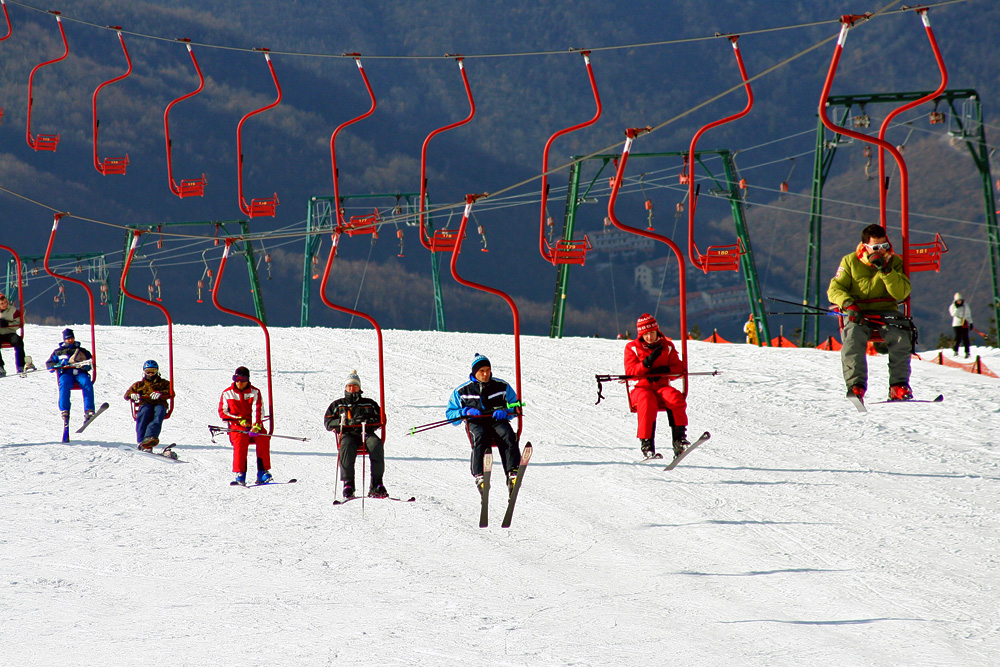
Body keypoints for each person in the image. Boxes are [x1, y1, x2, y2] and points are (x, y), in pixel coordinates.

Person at [827, 224, 913, 401]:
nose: (880, 251)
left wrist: (886, 271)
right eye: (875, 248)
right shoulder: (850, 261)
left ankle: (898, 385)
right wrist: (848, 304)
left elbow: (901, 293)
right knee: (853, 339)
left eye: (884, 247)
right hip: (859, 313)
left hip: (886, 312)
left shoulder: (894, 262)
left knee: (900, 338)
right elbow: (834, 289)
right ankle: (856, 386)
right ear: (865, 246)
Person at [446, 353, 521, 496]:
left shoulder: (502, 386)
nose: (486, 374)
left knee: (508, 435)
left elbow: (515, 406)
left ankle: (512, 473)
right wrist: (465, 411)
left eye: (488, 370)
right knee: (481, 436)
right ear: (475, 372)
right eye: (481, 371)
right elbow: (451, 415)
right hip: (476, 422)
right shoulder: (462, 391)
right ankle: (480, 475)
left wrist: (506, 411)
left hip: (497, 420)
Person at [625, 313, 690, 459]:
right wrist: (646, 363)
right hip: (642, 388)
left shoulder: (667, 347)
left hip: (661, 386)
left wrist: (665, 370)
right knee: (646, 401)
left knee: (675, 397)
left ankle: (679, 441)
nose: (650, 337)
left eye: (652, 333)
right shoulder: (633, 348)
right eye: (646, 334)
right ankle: (647, 444)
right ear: (641, 334)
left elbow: (679, 369)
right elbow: (630, 372)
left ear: (657, 331)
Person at [323, 370, 388, 499]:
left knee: (376, 444)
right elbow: (328, 422)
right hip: (349, 434)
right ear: (346, 388)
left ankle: (377, 483)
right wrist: (344, 422)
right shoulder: (338, 405)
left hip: (366, 433)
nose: (352, 388)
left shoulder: (369, 403)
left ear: (359, 387)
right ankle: (348, 484)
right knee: (346, 445)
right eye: (349, 386)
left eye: (355, 386)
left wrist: (368, 421)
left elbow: (381, 419)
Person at [218, 366, 273, 485]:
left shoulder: (255, 392)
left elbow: (257, 410)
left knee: (263, 437)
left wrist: (256, 425)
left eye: (242, 380)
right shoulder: (227, 393)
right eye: (236, 379)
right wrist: (239, 420)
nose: (239, 382)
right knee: (240, 439)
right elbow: (223, 412)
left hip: (253, 423)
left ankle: (262, 471)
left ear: (248, 380)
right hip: (237, 425)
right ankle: (240, 473)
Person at [44, 328, 96, 427]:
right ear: (64, 340)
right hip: (66, 373)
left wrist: (85, 366)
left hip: (80, 373)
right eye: (68, 339)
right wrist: (58, 365)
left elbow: (90, 363)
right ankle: (65, 409)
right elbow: (49, 364)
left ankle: (89, 410)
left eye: (72, 338)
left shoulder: (81, 351)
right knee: (64, 383)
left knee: (87, 383)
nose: (70, 340)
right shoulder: (59, 352)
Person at [124, 360, 174, 450]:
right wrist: (132, 394)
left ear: (157, 371)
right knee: (145, 412)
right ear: (144, 372)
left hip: (160, 403)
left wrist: (161, 393)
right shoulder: (139, 384)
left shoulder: (163, 383)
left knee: (159, 413)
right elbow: (127, 395)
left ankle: (150, 438)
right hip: (145, 403)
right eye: (148, 372)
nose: (151, 374)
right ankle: (141, 440)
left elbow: (171, 392)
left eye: (153, 371)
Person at [0, 292, 33, 376]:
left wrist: (8, 324)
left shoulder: (13, 311)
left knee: (18, 341)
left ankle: (20, 366)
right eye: (2, 304)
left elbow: (20, 323)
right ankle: (0, 367)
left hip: (10, 333)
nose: (4, 305)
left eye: (5, 302)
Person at [949, 292, 973, 359]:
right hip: (956, 324)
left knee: (966, 338)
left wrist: (970, 322)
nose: (959, 302)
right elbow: (953, 314)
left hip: (964, 323)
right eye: (958, 301)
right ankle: (956, 351)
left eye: (960, 300)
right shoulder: (953, 306)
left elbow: (968, 315)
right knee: (958, 338)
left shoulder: (965, 306)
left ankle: (967, 352)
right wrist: (957, 308)